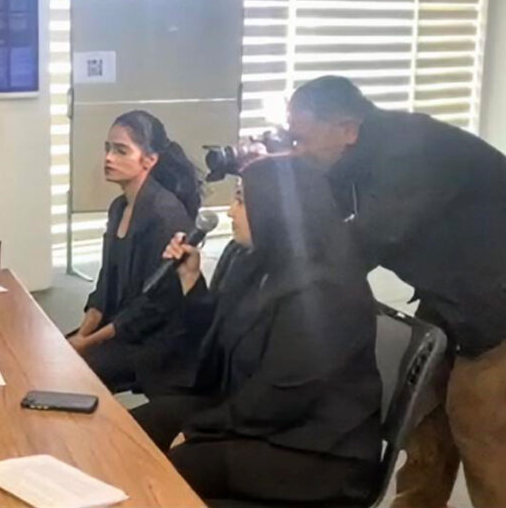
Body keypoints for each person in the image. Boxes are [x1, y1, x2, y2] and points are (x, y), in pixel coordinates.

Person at [287, 76, 506, 508]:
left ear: (347, 129)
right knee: (423, 419)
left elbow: (369, 238)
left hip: (494, 305)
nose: (298, 151)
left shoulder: (410, 149)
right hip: (453, 297)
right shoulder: (353, 159)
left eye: (301, 139)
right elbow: (322, 227)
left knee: (479, 426)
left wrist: (295, 283)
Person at [130, 156, 383, 505]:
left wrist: (199, 430)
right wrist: (191, 281)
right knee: (146, 422)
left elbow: (281, 396)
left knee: (185, 464)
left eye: (241, 200)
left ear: (276, 210)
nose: (232, 212)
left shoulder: (326, 292)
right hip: (266, 419)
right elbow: (223, 341)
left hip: (319, 451)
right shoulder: (257, 262)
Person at [67, 110, 203, 393]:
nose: (108, 158)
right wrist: (82, 334)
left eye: (120, 151)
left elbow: (151, 307)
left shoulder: (165, 215)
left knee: (71, 372)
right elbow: (106, 283)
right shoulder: (119, 207)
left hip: (154, 338)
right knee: (56, 353)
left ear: (149, 160)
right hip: (120, 325)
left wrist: (87, 343)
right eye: (108, 148)